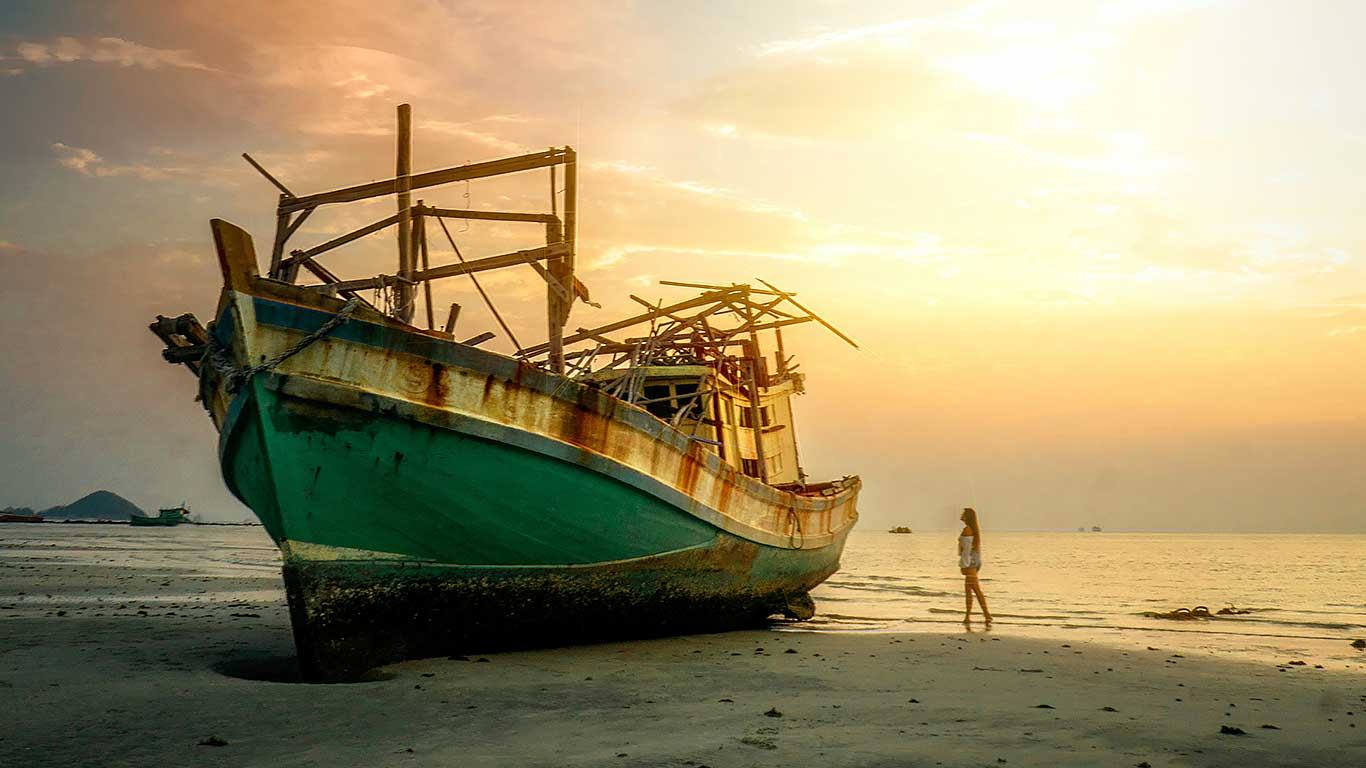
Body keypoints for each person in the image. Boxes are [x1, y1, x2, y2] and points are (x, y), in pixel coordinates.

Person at [958, 507, 991, 625]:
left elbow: (966, 550)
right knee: (969, 590)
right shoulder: (972, 530)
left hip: (970, 562)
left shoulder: (967, 530)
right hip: (973, 561)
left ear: (967, 517)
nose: (961, 515)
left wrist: (963, 565)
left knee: (975, 590)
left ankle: (987, 615)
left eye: (963, 513)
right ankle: (968, 616)